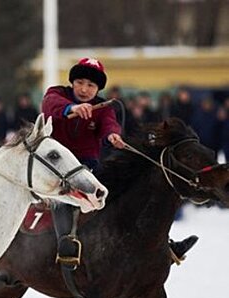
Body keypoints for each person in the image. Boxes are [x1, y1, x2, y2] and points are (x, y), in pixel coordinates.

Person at [42, 57, 196, 265]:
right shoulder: (57, 93)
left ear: (98, 88)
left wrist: (112, 136)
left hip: (87, 165)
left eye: (91, 85)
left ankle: (164, 245)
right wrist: (71, 109)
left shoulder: (103, 107)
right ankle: (65, 244)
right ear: (72, 83)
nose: (84, 89)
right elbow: (50, 105)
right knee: (64, 196)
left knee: (125, 195)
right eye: (79, 82)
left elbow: (109, 124)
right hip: (55, 164)